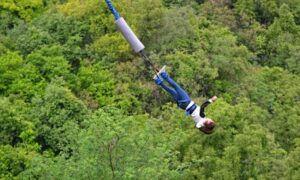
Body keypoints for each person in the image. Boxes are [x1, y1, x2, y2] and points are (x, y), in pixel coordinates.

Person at [153, 66, 217, 134]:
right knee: (171, 91)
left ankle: (163, 74)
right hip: (183, 106)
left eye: (211, 120)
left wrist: (211, 100)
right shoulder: (199, 124)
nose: (211, 119)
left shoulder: (202, 117)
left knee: (176, 87)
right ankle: (157, 80)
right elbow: (199, 126)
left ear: (209, 122)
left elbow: (203, 106)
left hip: (187, 102)